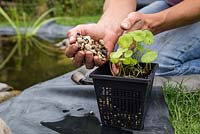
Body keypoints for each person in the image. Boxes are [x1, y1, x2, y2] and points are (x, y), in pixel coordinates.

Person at [66, 0, 200, 76]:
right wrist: (108, 29)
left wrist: (152, 23)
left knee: (157, 68)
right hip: (173, 3)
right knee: (116, 51)